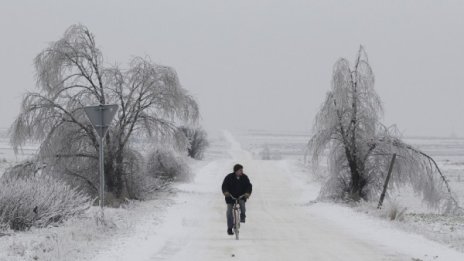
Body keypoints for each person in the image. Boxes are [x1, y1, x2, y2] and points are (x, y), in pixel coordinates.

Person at [221, 163, 252, 235]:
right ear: (236, 171)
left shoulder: (245, 177)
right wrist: (226, 192)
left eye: (242, 170)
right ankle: (229, 228)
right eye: (240, 170)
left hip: (241, 197)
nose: (242, 171)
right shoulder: (229, 177)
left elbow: (249, 186)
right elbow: (224, 185)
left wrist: (247, 193)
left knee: (242, 205)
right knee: (229, 212)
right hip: (230, 197)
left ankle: (242, 216)